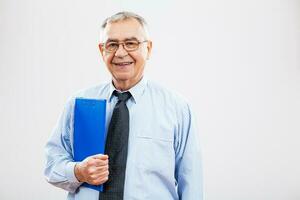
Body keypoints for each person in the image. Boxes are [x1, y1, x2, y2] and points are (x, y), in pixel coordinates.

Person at [44, 11, 203, 200]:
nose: (120, 53)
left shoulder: (177, 108)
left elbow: (191, 184)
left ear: (148, 48)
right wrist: (78, 171)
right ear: (102, 50)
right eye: (112, 45)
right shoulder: (78, 104)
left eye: (131, 43)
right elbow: (51, 165)